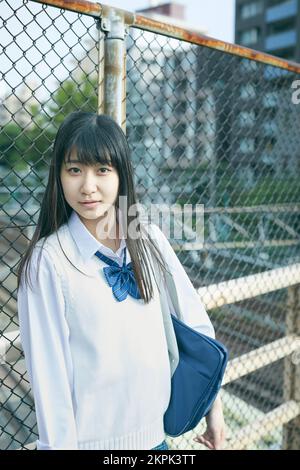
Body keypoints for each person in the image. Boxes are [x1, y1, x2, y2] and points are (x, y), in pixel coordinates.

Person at [17, 111, 226, 451]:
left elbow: (196, 327)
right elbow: (51, 386)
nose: (88, 186)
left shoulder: (148, 240)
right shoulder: (49, 262)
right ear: (58, 176)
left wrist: (213, 409)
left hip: (159, 444)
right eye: (74, 170)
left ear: (121, 174)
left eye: (102, 170)